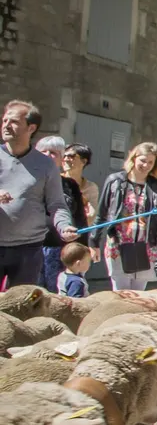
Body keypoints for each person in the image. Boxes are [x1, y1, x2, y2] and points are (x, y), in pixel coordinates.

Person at [0, 101, 77, 288]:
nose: (6, 125)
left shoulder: (46, 165)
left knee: (21, 308)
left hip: (29, 249)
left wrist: (64, 226)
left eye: (14, 122)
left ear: (31, 127)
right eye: (4, 120)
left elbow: (57, 204)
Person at [91, 142, 157, 291]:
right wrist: (94, 242)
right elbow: (102, 214)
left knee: (138, 295)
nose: (146, 165)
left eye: (151, 162)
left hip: (146, 245)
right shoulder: (115, 181)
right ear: (134, 158)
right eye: (143, 160)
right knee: (121, 293)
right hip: (119, 244)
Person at [35, 136, 87, 291]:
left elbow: (79, 218)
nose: (47, 155)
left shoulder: (69, 185)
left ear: (61, 158)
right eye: (43, 151)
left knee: (56, 293)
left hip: (60, 248)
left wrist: (83, 248)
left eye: (53, 153)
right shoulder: (27, 182)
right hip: (31, 247)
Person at [62, 143, 99, 225]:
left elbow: (91, 216)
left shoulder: (90, 187)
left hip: (79, 233)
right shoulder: (56, 181)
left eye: (71, 156)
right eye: (63, 156)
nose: (65, 159)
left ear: (84, 161)